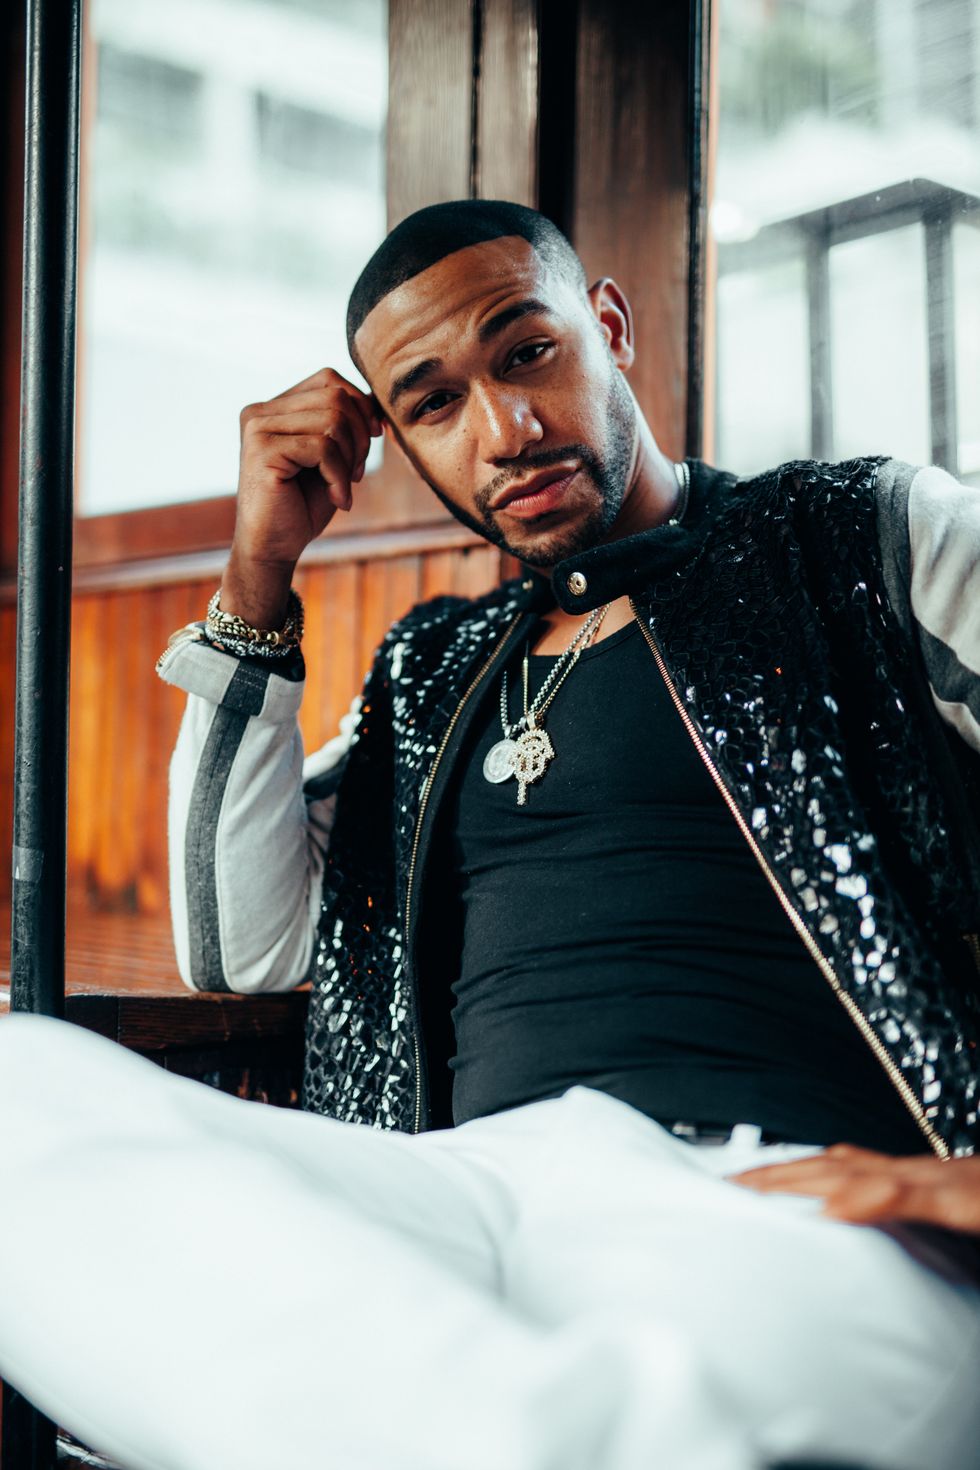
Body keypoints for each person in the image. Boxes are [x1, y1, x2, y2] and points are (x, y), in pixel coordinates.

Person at [1, 199, 979, 1470]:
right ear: (397, 440)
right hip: (460, 1194)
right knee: (17, 1086)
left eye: (527, 353)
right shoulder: (435, 672)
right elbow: (238, 945)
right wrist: (257, 570)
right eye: (434, 403)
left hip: (773, 1191)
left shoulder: (859, 534)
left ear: (607, 327)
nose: (505, 430)